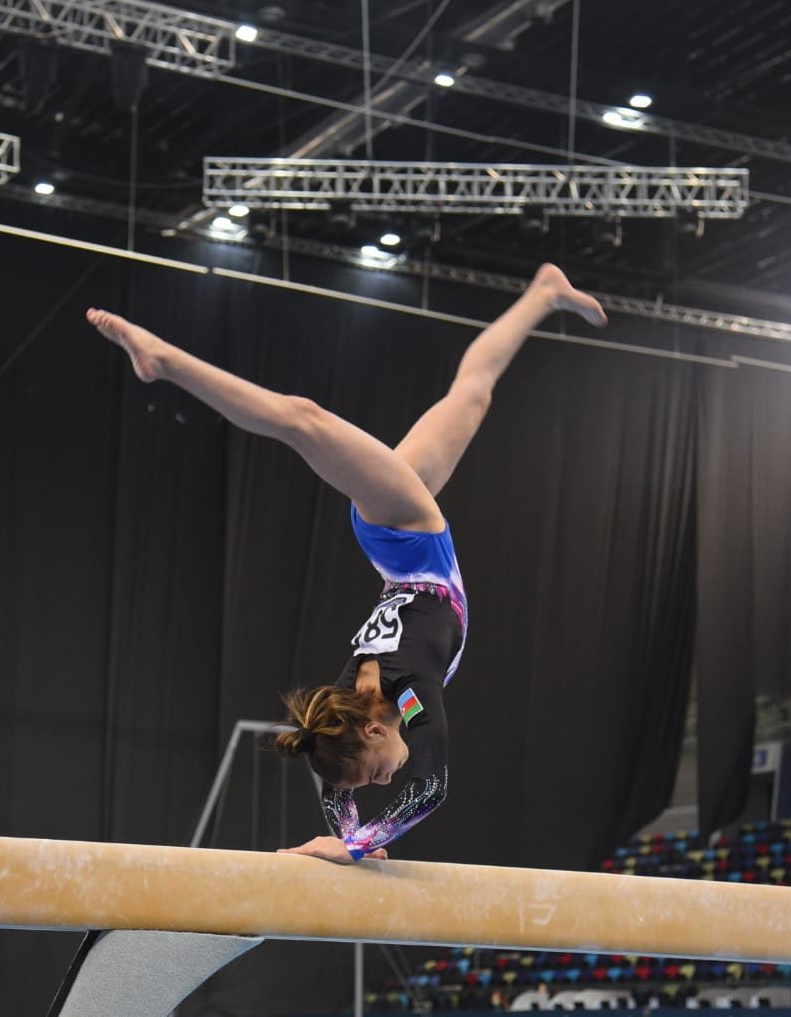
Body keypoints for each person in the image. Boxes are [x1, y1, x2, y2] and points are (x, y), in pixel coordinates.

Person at [87, 264, 607, 863]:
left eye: (376, 775)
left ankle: (162, 359)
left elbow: (425, 789)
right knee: (471, 396)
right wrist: (354, 836)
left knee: (302, 419)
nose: (384, 785)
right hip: (405, 543)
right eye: (376, 785)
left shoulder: (400, 692)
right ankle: (542, 291)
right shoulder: (398, 701)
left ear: (375, 731)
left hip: (405, 532)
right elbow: (359, 786)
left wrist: (355, 845)